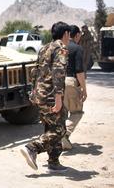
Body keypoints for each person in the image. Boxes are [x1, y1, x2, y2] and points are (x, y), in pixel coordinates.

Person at [21, 21, 71, 173]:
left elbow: (35, 72)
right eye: (69, 35)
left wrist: (33, 92)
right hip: (50, 96)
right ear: (66, 34)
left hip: (40, 95)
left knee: (50, 126)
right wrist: (58, 98)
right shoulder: (61, 48)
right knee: (60, 129)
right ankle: (32, 148)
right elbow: (58, 73)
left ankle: (54, 161)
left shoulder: (44, 48)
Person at [62, 25, 88, 150]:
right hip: (71, 82)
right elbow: (79, 71)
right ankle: (64, 134)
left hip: (58, 83)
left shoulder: (60, 47)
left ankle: (63, 141)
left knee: (63, 112)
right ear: (77, 35)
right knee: (77, 112)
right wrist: (84, 88)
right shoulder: (77, 48)